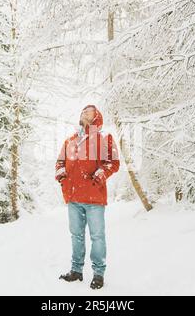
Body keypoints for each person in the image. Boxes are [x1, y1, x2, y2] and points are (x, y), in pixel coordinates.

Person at [55, 104, 120, 289]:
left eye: (89, 111)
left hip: (94, 198)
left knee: (97, 236)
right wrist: (62, 176)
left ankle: (98, 274)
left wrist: (99, 177)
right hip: (73, 197)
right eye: (83, 110)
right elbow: (60, 161)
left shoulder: (104, 138)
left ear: (96, 116)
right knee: (76, 235)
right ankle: (76, 271)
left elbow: (113, 163)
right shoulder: (71, 140)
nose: (84, 112)